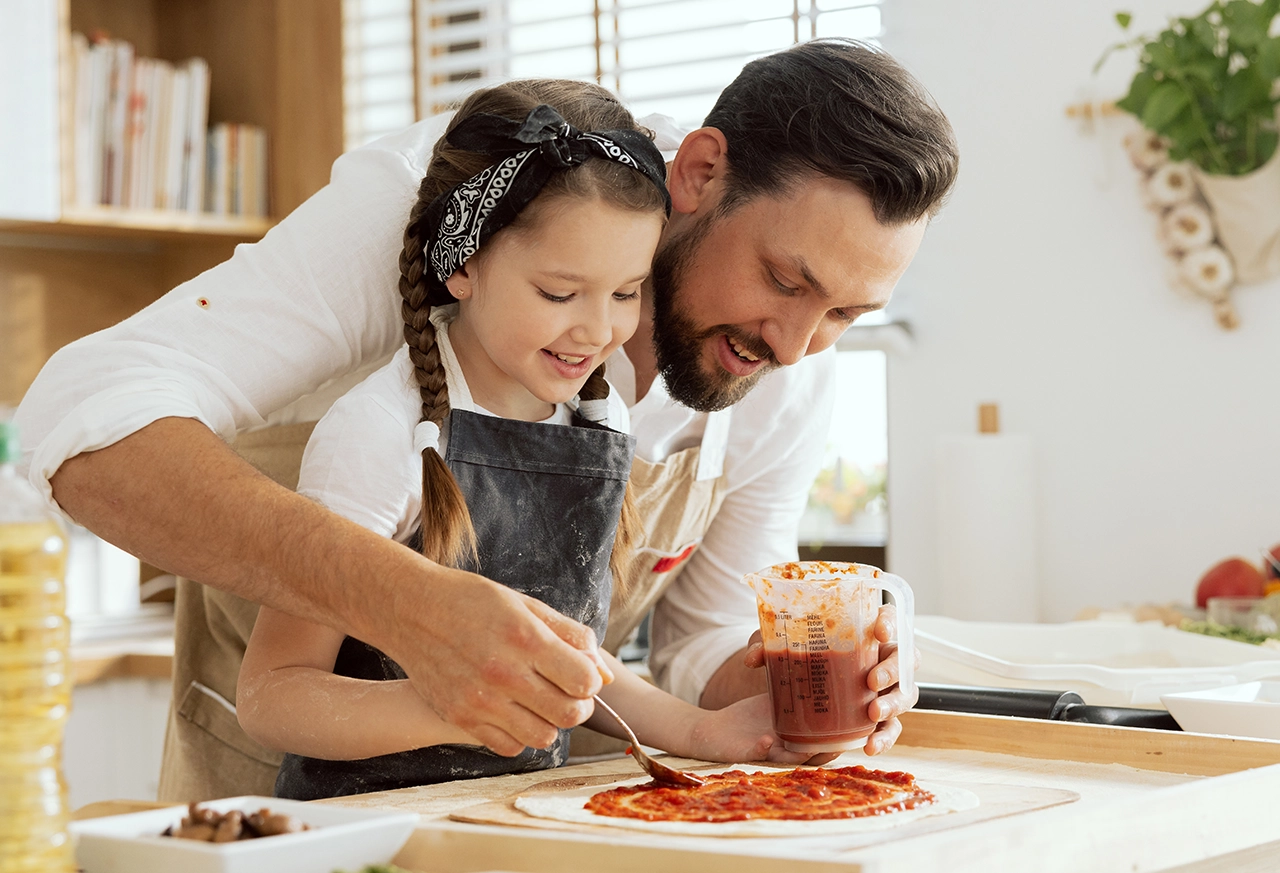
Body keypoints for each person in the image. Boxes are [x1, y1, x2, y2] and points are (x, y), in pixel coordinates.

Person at [15, 38, 958, 800]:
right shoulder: (472, 203)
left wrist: (765, 685)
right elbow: (82, 414)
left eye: (843, 314)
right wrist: (408, 603)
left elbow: (689, 643)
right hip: (278, 813)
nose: (797, 346)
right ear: (702, 170)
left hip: (534, 814)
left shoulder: (779, 362)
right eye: (786, 282)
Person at [236, 82, 819, 799]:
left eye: (626, 292)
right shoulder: (378, 434)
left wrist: (705, 731)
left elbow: (577, 665)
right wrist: (455, 698)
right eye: (558, 293)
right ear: (464, 263)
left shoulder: (595, 424)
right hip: (369, 831)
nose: (597, 330)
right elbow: (273, 693)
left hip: (512, 823)